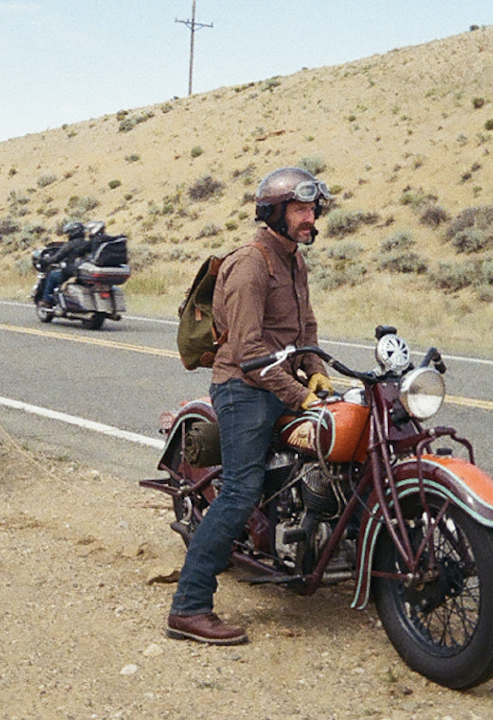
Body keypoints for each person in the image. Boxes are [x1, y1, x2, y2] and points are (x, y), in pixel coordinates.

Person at [166, 167, 334, 646]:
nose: (310, 218)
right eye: (301, 210)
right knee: (241, 489)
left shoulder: (294, 261)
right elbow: (248, 352)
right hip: (243, 389)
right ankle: (189, 606)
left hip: (279, 381)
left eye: (313, 210)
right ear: (274, 213)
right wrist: (301, 394)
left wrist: (316, 368)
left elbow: (305, 328)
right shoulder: (251, 264)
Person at [39, 221, 91, 307]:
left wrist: (45, 260)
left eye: (68, 233)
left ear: (73, 233)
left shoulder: (70, 245)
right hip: (85, 273)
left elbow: (57, 258)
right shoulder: (88, 243)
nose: (67, 235)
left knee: (52, 275)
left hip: (72, 272)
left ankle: (46, 300)